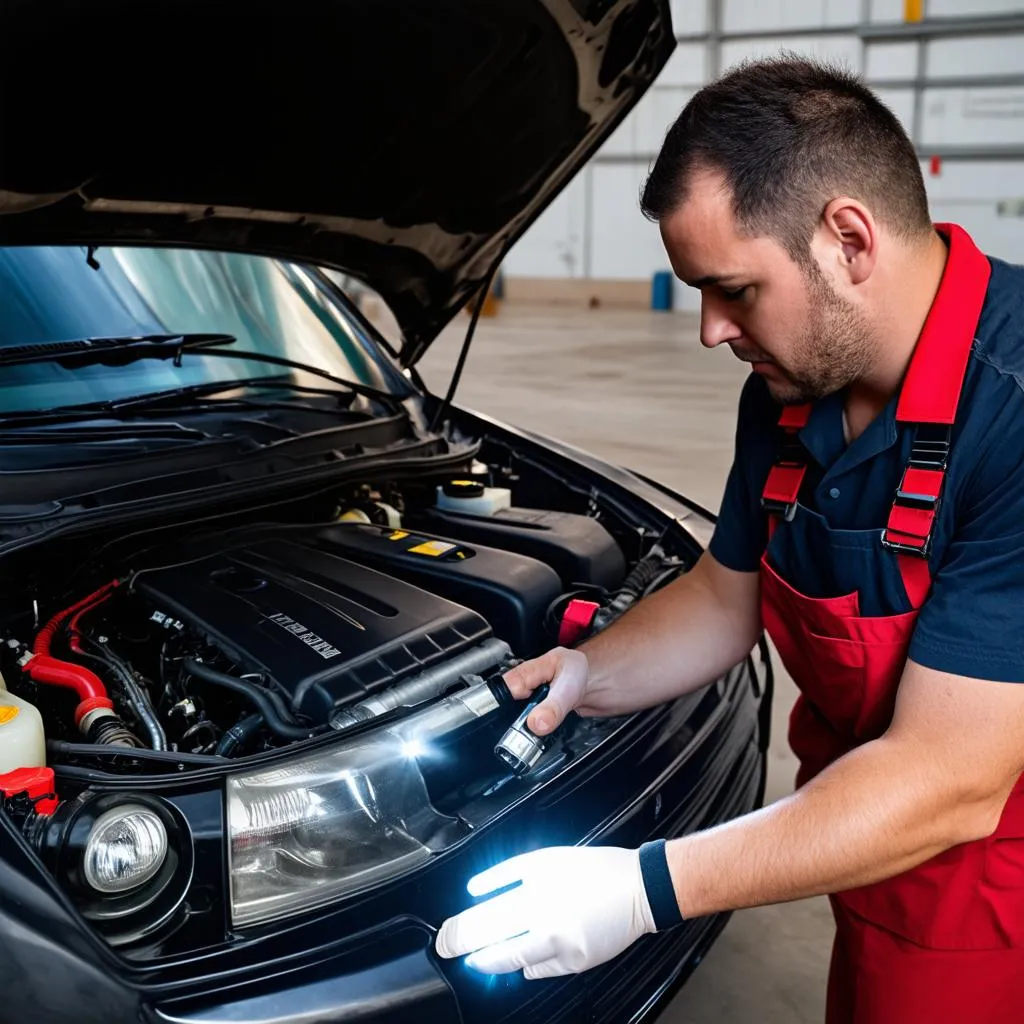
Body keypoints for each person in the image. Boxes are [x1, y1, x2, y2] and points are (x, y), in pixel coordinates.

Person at [433, 57, 1024, 1022]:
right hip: (862, 844)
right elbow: (725, 596)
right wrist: (587, 672)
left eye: (734, 289)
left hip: (991, 900)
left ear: (848, 239)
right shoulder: (790, 395)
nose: (710, 329)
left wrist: (644, 891)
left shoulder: (1013, 414)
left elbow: (949, 779)